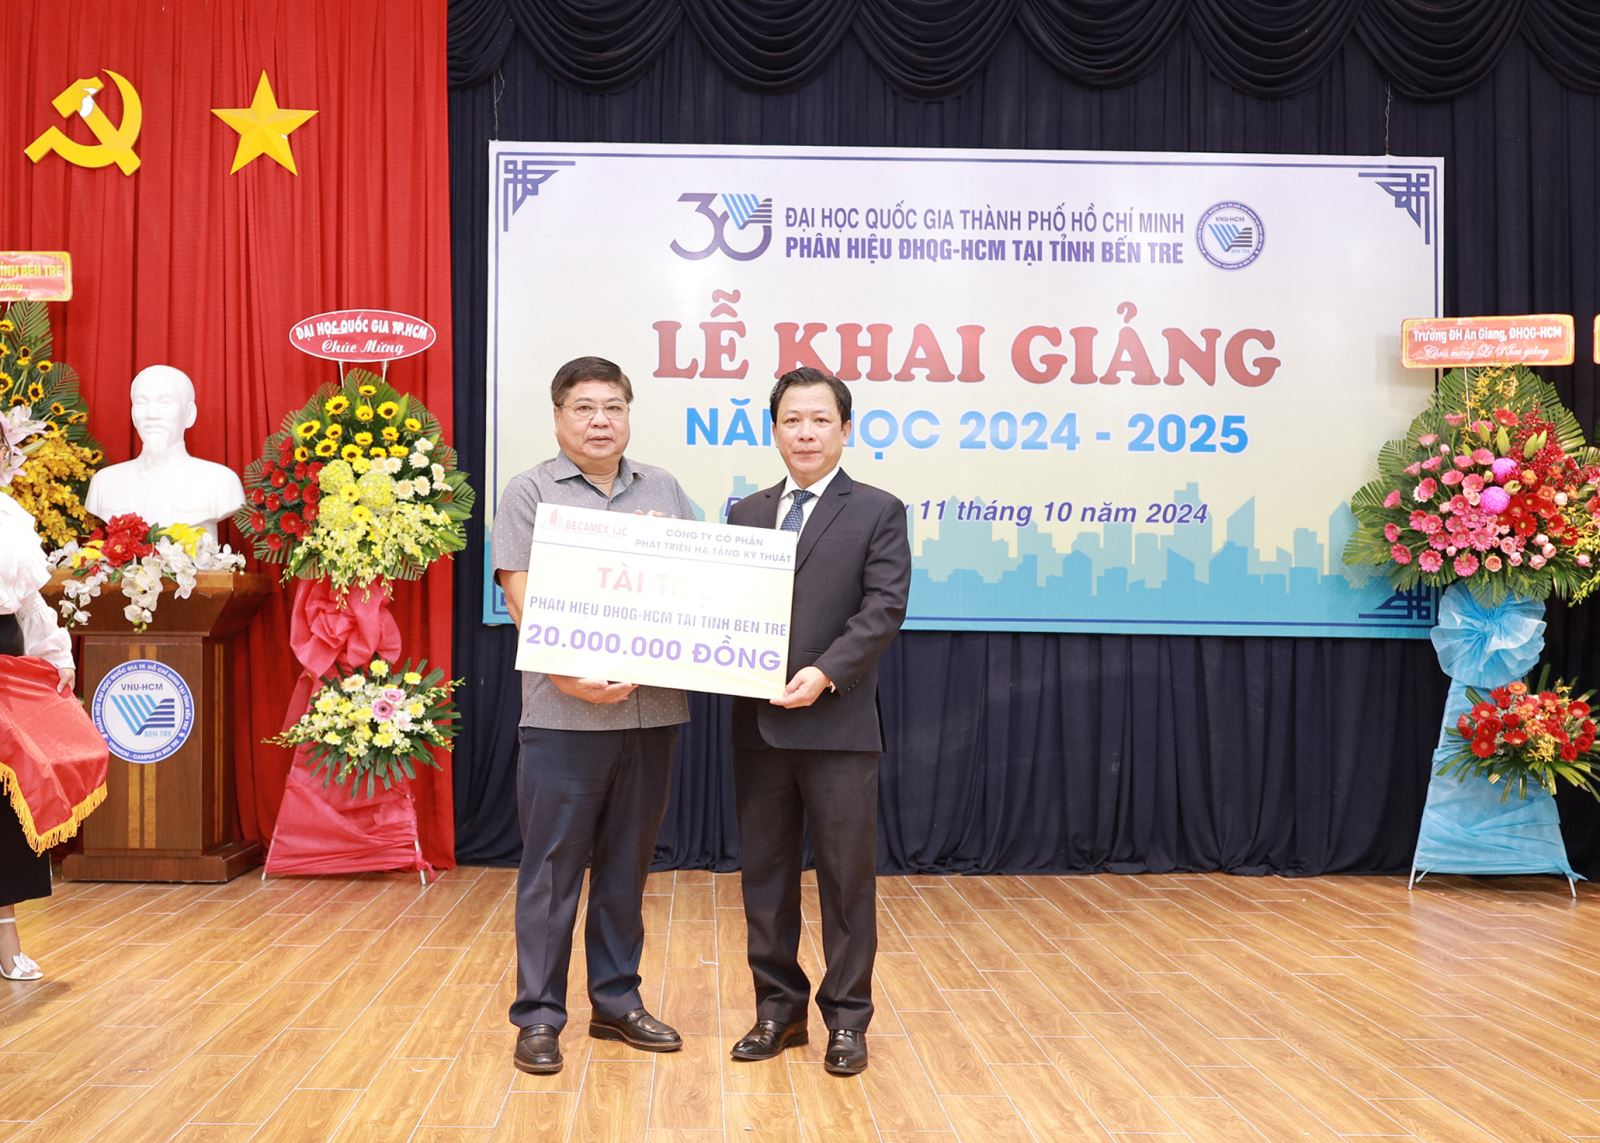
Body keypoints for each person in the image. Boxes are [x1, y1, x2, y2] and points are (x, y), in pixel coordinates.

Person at [492, 356, 694, 1075]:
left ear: (629, 414)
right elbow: (520, 595)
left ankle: (616, 1001)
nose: (600, 421)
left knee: (626, 868)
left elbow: (698, 586)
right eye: (584, 407)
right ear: (558, 417)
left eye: (613, 407)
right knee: (551, 872)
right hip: (563, 715)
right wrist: (567, 676)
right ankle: (539, 1015)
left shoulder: (663, 489)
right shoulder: (530, 491)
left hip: (650, 711)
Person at [726, 367, 911, 1076]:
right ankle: (778, 1010)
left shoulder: (878, 509)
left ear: (845, 429)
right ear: (774, 431)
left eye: (820, 420)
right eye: (792, 421)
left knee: (845, 880)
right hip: (759, 725)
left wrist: (826, 671)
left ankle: (848, 1019)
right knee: (765, 878)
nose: (805, 433)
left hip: (838, 725)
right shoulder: (745, 512)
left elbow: (883, 608)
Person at [0, 421, 77, 983]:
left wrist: (56, 655)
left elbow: (29, 605)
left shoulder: (10, 518)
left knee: (5, 800)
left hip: (4, 659)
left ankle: (6, 936)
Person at [84, 364, 244, 537]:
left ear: (189, 414)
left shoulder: (220, 482)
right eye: (142, 403)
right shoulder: (104, 483)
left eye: (165, 402)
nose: (151, 414)